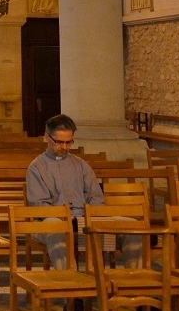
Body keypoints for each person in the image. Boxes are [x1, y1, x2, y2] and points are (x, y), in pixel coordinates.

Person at [26, 114, 141, 274]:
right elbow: (40, 206)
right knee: (56, 227)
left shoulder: (81, 165)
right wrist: (66, 217)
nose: (64, 147)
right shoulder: (36, 167)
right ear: (47, 136)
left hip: (84, 218)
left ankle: (134, 279)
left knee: (132, 225)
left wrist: (89, 217)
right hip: (51, 221)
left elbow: (96, 197)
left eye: (69, 142)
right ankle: (70, 281)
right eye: (59, 142)